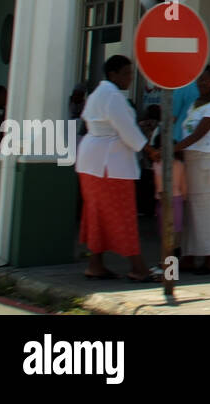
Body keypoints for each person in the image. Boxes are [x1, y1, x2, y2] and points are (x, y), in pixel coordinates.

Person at [76, 56, 157, 282]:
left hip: (93, 161)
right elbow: (128, 131)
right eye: (126, 73)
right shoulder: (112, 96)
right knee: (121, 214)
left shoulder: (98, 94)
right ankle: (138, 267)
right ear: (113, 74)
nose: (131, 78)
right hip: (108, 164)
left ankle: (95, 264)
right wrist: (149, 150)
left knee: (97, 213)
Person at [174, 65, 210, 273]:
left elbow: (198, 134)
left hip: (207, 160)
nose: (202, 83)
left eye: (207, 80)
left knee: (208, 210)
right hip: (191, 159)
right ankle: (189, 255)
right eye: (200, 80)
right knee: (191, 210)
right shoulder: (195, 104)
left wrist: (173, 148)